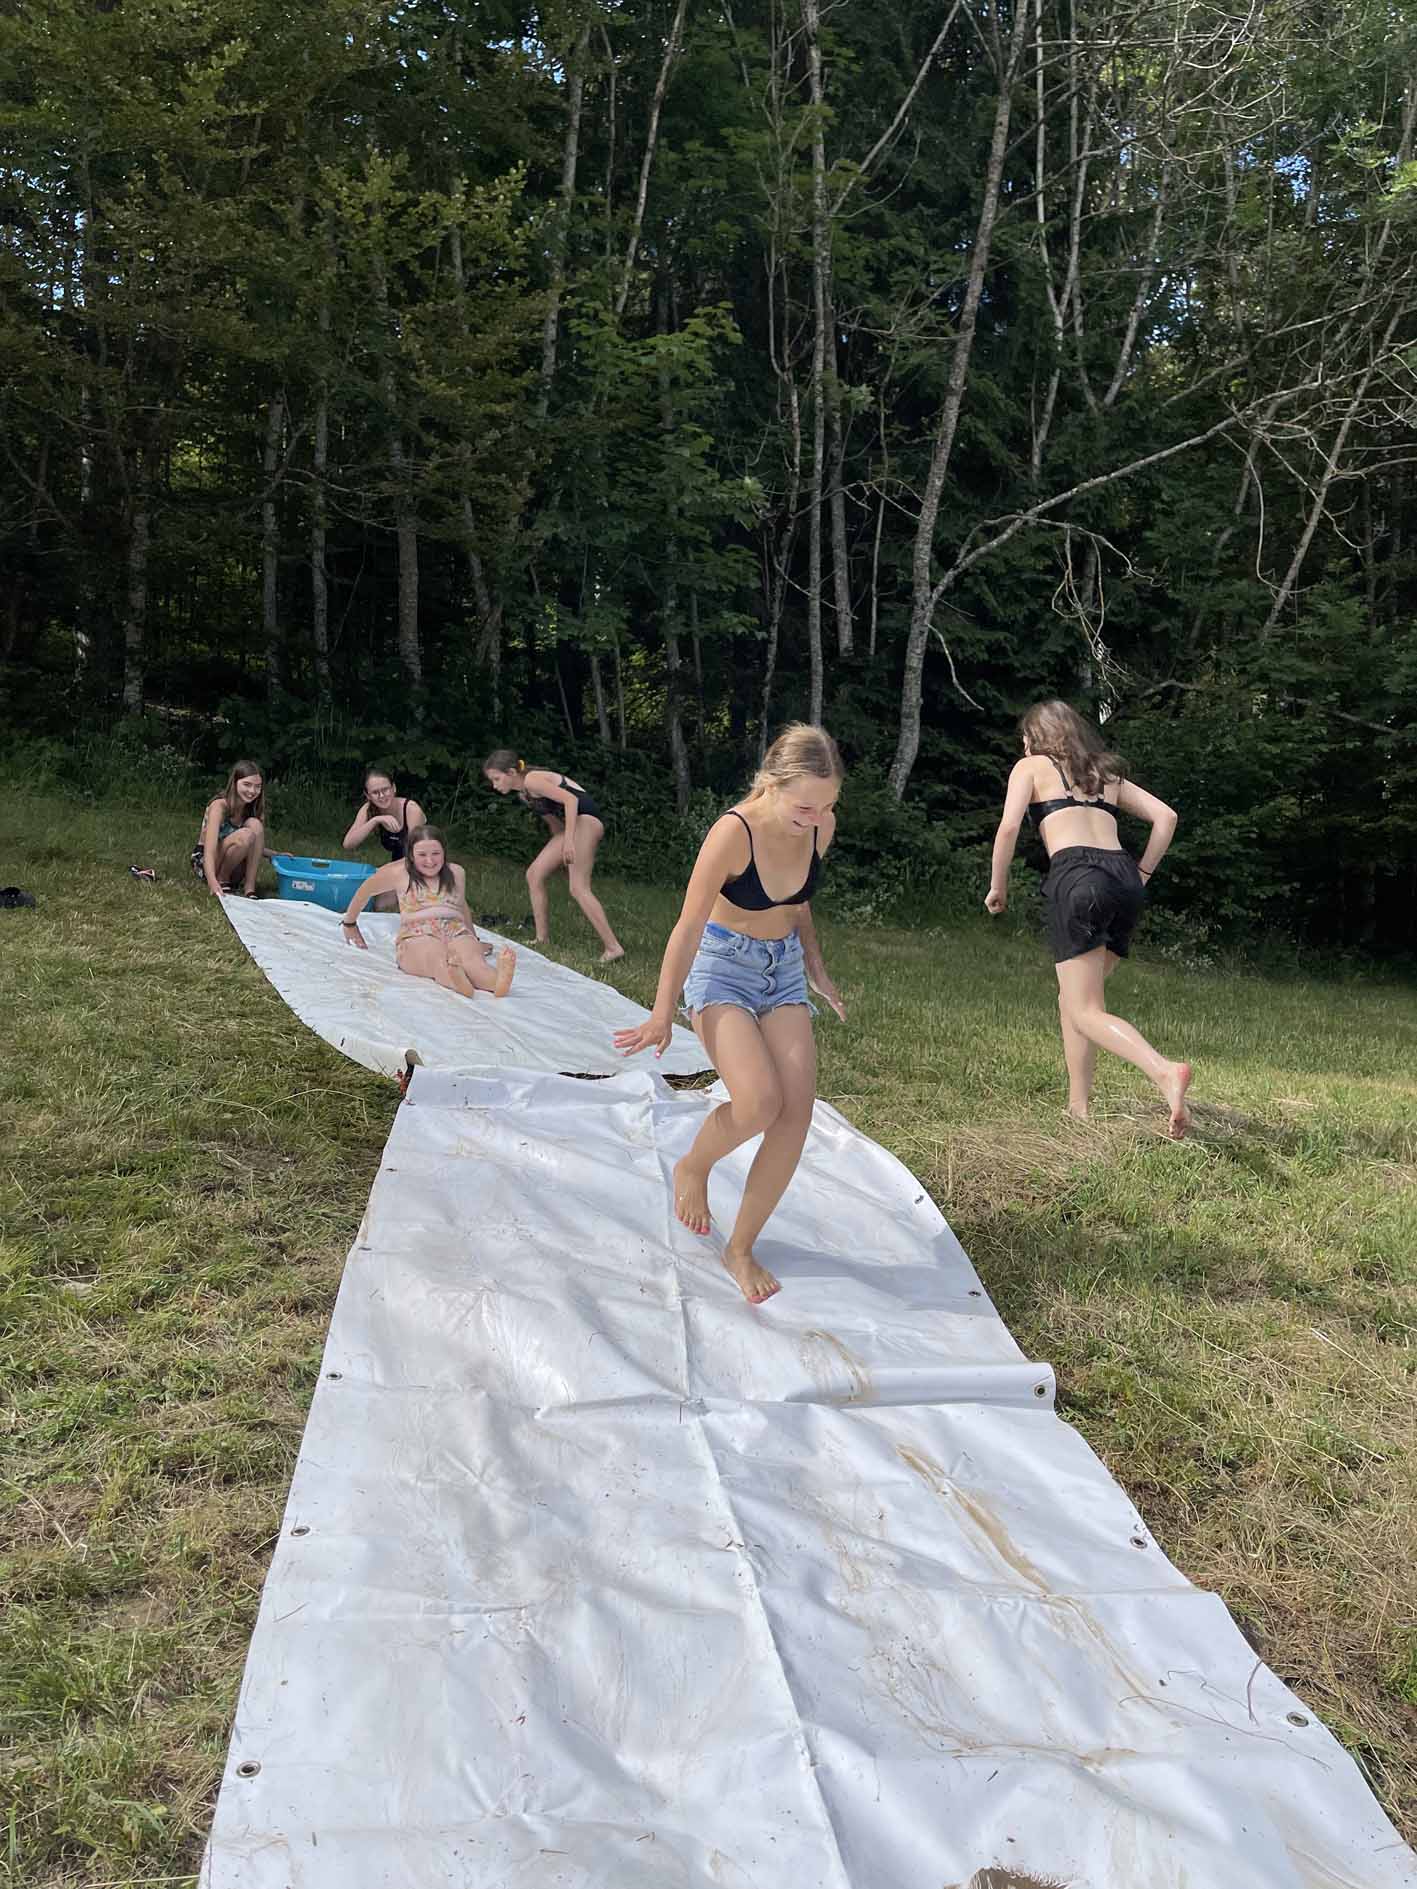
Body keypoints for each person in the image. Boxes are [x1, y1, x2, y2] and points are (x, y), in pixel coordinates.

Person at [614, 724, 846, 1306]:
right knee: (759, 1103)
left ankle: (740, 1248)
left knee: (795, 1115)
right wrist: (661, 1012)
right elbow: (688, 925)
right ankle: (693, 1167)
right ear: (772, 783)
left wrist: (816, 968)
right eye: (805, 807)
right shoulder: (733, 832)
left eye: (826, 806)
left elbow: (798, 901)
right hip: (722, 968)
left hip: (781, 969)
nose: (816, 818)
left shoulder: (820, 825)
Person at [985, 698, 1192, 1138]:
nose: (1024, 746)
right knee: (1074, 1002)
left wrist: (997, 886)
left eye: (1026, 738)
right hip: (1123, 880)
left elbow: (1008, 828)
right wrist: (1142, 874)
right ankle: (1078, 1109)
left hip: (1078, 877)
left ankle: (1163, 1071)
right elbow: (1166, 817)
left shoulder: (1030, 767)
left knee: (1084, 1009)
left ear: (1037, 738)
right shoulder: (1106, 774)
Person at [340, 824, 516, 1000]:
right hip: (416, 934)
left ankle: (497, 982)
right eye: (422, 855)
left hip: (455, 930)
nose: (430, 861)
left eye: (436, 854)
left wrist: (474, 939)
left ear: (444, 852)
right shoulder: (399, 874)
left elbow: (461, 906)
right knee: (435, 957)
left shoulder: (456, 872)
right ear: (411, 855)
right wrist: (349, 923)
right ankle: (456, 979)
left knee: (473, 960)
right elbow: (365, 891)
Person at [482, 750, 624, 961]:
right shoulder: (525, 794)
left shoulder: (532, 780)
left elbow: (571, 800)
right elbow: (555, 826)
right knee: (534, 874)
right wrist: (560, 851)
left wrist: (569, 842)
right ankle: (542, 939)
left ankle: (613, 948)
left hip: (587, 820)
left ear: (511, 772)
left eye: (496, 779)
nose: (494, 785)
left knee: (578, 887)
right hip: (575, 826)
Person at [342, 766, 427, 912]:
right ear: (367, 795)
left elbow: (415, 856)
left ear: (394, 788)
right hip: (398, 866)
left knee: (387, 906)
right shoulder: (369, 809)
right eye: (375, 792)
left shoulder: (411, 810)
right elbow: (348, 844)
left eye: (385, 789)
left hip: (424, 866)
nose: (381, 796)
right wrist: (375, 820)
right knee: (375, 905)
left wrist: (384, 871)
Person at [192, 760, 269, 897]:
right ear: (235, 783)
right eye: (247, 784)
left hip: (234, 863)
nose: (252, 791)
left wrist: (274, 854)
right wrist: (212, 881)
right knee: (245, 835)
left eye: (257, 786)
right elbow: (209, 849)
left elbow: (253, 842)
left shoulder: (253, 808)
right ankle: (222, 879)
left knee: (255, 825)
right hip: (207, 862)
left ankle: (249, 888)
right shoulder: (219, 806)